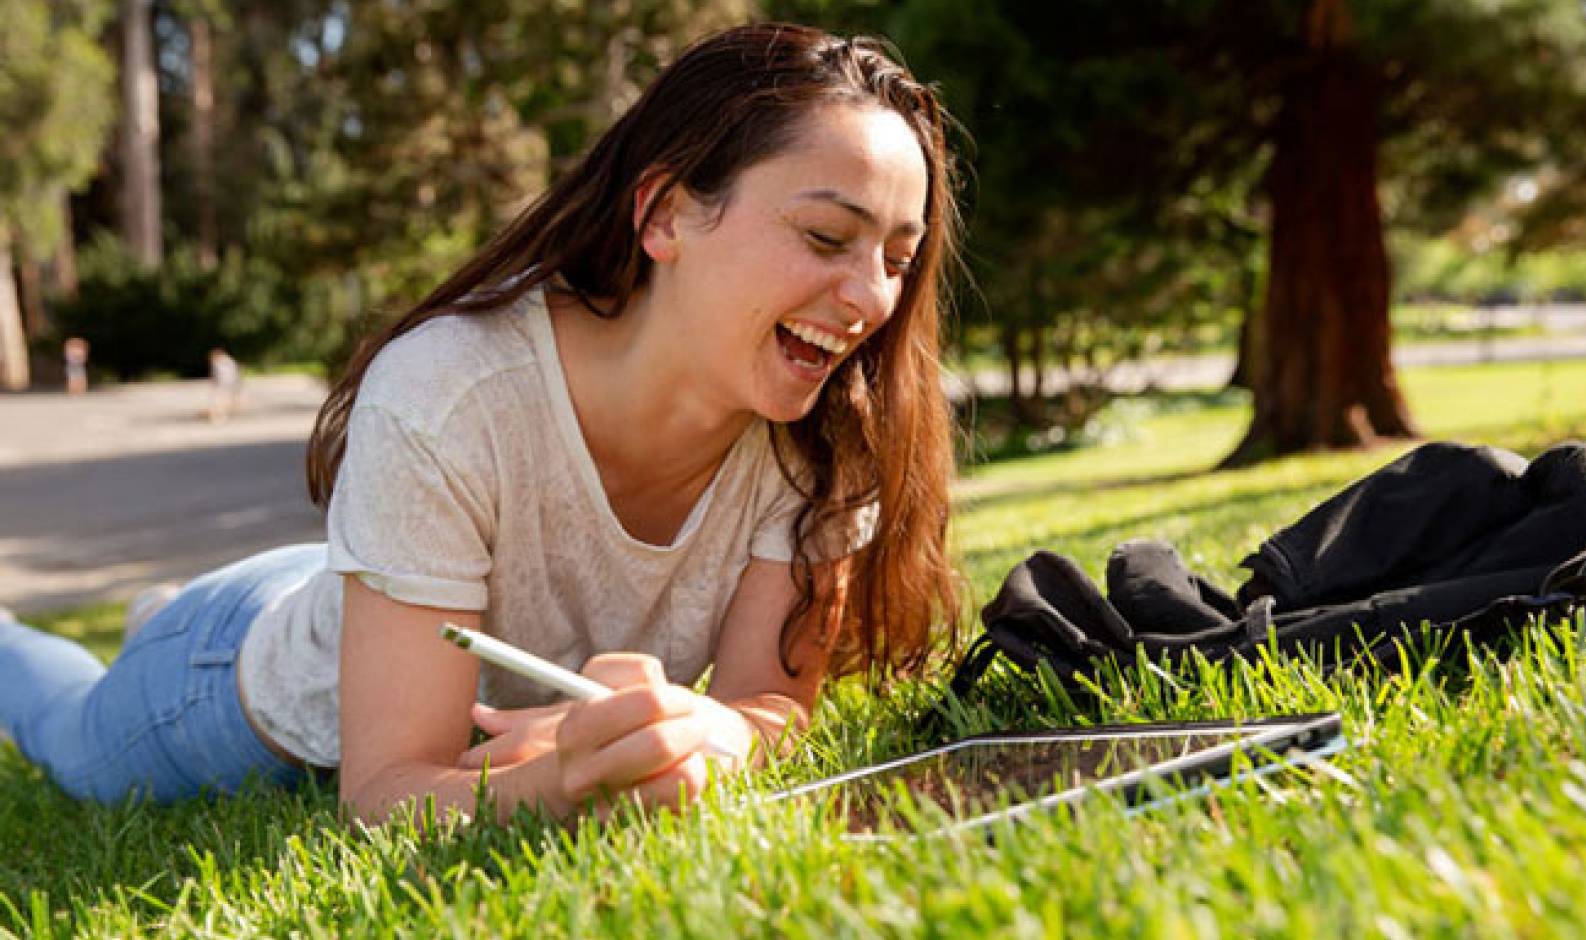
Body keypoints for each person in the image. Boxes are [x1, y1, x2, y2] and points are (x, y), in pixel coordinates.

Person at [0, 23, 962, 824]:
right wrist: (558, 780)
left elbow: (765, 710)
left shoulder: (826, 439)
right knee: (62, 724)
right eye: (827, 238)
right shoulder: (451, 389)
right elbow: (382, 793)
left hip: (388, 595)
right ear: (665, 215)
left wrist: (710, 732)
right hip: (239, 685)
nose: (869, 297)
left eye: (897, 258)